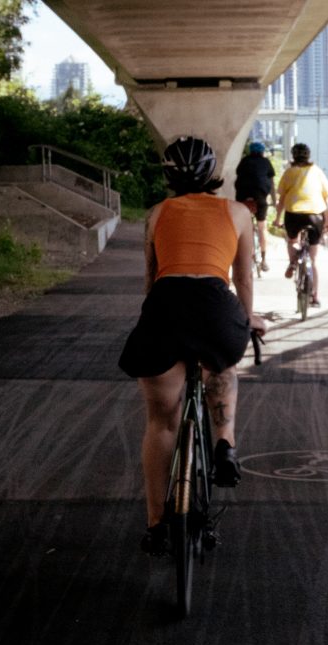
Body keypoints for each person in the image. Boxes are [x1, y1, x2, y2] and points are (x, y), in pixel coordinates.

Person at [118, 136, 267, 556]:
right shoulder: (237, 212)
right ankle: (224, 442)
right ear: (213, 172)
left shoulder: (156, 215)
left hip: (165, 307)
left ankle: (156, 525)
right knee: (221, 360)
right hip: (216, 306)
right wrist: (247, 318)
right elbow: (244, 279)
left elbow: (151, 282)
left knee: (160, 422)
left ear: (169, 175)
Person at [272, 142, 328, 307]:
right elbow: (327, 200)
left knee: (292, 240)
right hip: (315, 216)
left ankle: (292, 261)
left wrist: (277, 219)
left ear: (293, 156)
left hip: (294, 215)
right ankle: (315, 297)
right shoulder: (317, 171)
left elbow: (282, 201)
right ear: (308, 156)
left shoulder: (289, 173)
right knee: (313, 260)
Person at [234, 140, 276, 272]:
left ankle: (244, 256)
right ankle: (264, 260)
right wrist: (274, 200)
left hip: (243, 197)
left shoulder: (243, 162)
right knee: (262, 227)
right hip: (260, 197)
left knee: (245, 227)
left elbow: (237, 179)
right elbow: (272, 184)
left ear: (250, 152)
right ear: (262, 152)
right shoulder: (266, 163)